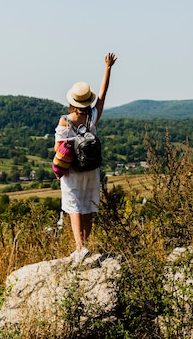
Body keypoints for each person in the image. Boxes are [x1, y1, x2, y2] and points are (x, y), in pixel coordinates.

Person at [54, 52, 117, 264]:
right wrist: (108, 68)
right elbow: (103, 93)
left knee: (73, 207)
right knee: (88, 206)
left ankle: (80, 248)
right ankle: (85, 245)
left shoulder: (65, 121)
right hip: (91, 168)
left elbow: (58, 147)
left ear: (72, 101)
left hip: (73, 170)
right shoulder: (92, 117)